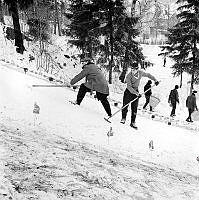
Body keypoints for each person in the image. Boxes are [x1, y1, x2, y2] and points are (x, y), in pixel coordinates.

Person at [120, 62, 159, 129]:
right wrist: (137, 93)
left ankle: (133, 122)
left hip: (136, 92)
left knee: (134, 107)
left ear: (137, 69)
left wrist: (155, 80)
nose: (132, 71)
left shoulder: (140, 73)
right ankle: (123, 118)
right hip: (128, 92)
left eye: (134, 69)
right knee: (125, 106)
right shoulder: (128, 76)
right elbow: (129, 87)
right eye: (131, 69)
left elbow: (148, 75)